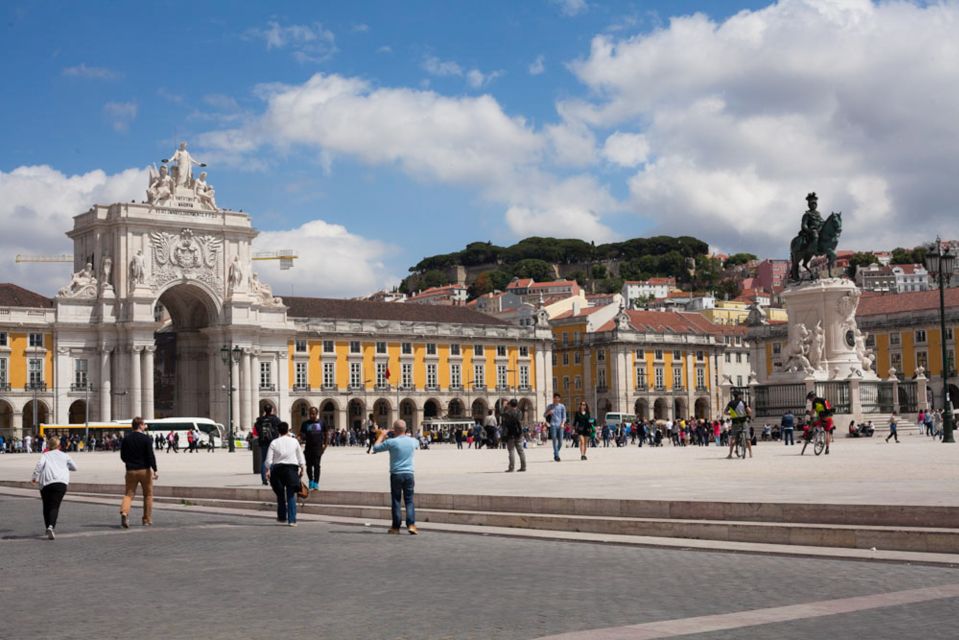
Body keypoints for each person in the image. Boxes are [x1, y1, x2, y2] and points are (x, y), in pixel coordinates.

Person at [372, 419, 420, 534]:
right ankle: (411, 525)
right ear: (405, 429)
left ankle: (396, 527)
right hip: (409, 474)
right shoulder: (413, 441)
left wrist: (382, 435)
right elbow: (417, 444)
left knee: (396, 500)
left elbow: (375, 448)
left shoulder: (392, 442)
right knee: (409, 500)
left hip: (396, 474)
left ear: (394, 430)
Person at [31, 435, 77, 540]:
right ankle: (51, 526)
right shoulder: (65, 456)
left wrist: (34, 477)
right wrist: (65, 466)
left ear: (49, 445)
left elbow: (39, 466)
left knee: (46, 505)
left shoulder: (45, 455)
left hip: (46, 483)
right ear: (59, 445)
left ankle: (48, 526)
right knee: (55, 506)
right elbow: (75, 467)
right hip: (61, 483)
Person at [119, 417, 158, 528]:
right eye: (144, 424)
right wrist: (155, 469)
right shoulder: (146, 439)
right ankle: (146, 519)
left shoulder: (126, 439)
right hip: (145, 470)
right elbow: (150, 455)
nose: (145, 426)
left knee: (129, 494)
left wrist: (129, 463)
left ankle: (125, 512)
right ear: (140, 425)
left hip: (131, 470)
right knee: (148, 495)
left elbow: (122, 456)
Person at [265, 421, 305, 526]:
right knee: (291, 495)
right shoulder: (294, 441)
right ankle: (292, 520)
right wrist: (302, 467)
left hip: (277, 470)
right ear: (288, 430)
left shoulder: (274, 442)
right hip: (291, 469)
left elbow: (268, 460)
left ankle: (282, 516)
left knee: (280, 494)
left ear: (278, 431)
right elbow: (300, 456)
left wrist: (268, 470)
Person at [299, 406, 327, 491]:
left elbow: (326, 434)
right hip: (308, 448)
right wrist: (298, 438)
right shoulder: (305, 423)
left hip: (318, 448)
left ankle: (316, 483)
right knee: (309, 466)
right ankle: (311, 480)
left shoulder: (322, 423)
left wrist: (325, 446)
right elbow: (301, 434)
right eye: (310, 414)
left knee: (317, 466)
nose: (311, 415)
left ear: (317, 414)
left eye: (313, 414)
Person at [255, 405, 281, 485]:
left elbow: (256, 428)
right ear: (271, 410)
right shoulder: (275, 419)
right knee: (273, 460)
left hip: (263, 442)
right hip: (273, 442)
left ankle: (264, 479)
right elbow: (280, 427)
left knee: (264, 460)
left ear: (265, 410)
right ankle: (272, 477)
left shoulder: (260, 420)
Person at [500, 399, 526, 472]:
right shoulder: (519, 412)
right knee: (521, 451)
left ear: (510, 405)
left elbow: (501, 413)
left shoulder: (508, 412)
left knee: (511, 451)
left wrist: (504, 406)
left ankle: (511, 467)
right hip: (518, 433)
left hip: (510, 433)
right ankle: (523, 467)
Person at [725, 389, 752, 459]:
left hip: (735, 422)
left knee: (733, 438)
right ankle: (750, 453)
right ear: (739, 395)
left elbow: (725, 412)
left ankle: (730, 454)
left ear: (733, 396)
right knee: (747, 438)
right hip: (743, 421)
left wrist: (730, 413)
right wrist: (748, 415)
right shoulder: (743, 402)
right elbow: (749, 411)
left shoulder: (730, 403)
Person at [545, 393, 567, 462]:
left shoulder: (562, 406)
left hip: (560, 425)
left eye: (558, 398)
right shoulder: (550, 406)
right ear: (553, 398)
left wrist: (563, 423)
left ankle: (555, 452)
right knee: (554, 439)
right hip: (553, 425)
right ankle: (557, 456)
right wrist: (549, 412)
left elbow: (564, 417)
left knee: (560, 442)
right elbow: (544, 415)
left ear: (559, 399)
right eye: (555, 398)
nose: (556, 399)